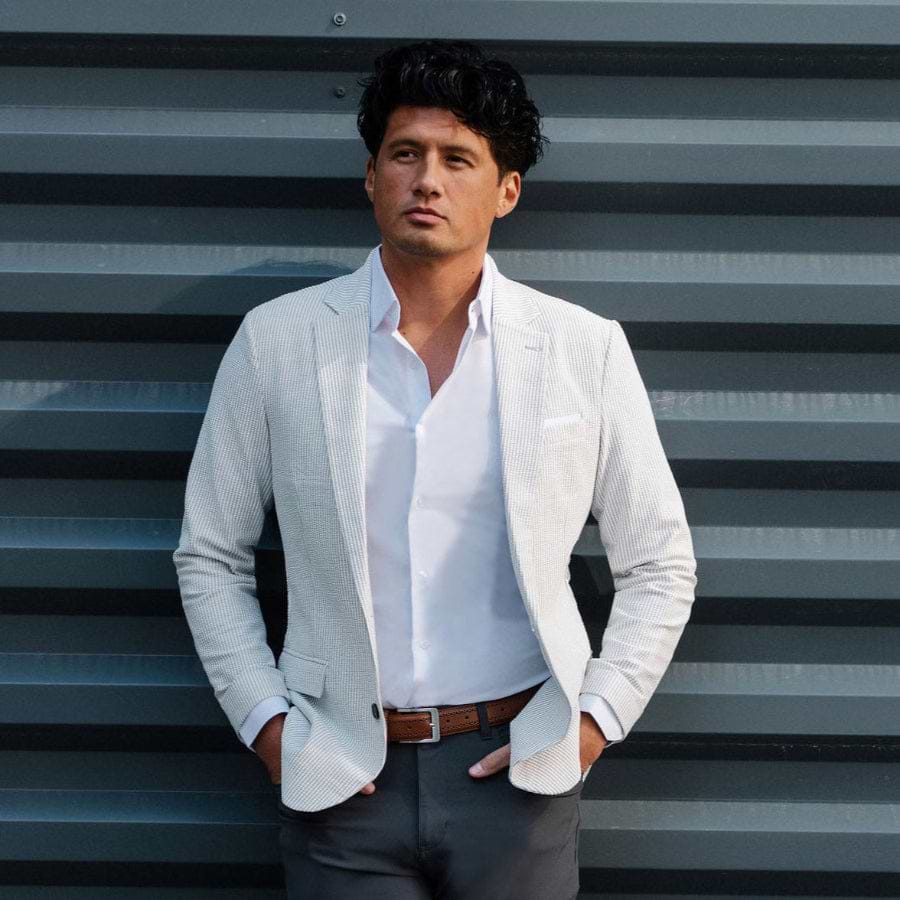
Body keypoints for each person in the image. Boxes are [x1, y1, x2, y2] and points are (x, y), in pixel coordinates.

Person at [173, 38, 697, 900]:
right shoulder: (279, 341)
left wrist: (593, 724)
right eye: (405, 153)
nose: (428, 180)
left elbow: (661, 563)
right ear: (370, 176)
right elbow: (211, 553)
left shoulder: (581, 350)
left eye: (459, 158)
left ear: (506, 190)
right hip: (340, 778)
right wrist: (270, 728)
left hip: (518, 776)